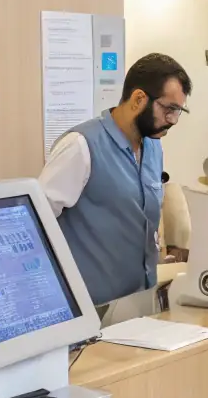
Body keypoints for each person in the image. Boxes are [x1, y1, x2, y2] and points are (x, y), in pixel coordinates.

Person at [39, 53, 191, 307]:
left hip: (140, 302)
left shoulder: (153, 146)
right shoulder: (81, 145)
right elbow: (37, 220)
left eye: (178, 111)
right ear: (139, 99)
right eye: (169, 109)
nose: (173, 120)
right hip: (92, 308)